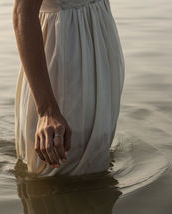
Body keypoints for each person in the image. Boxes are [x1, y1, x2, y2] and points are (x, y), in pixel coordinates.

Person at [13, 0, 125, 177]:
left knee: (94, 172)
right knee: (60, 165)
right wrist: (47, 110)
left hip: (99, 53)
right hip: (66, 63)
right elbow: (22, 14)